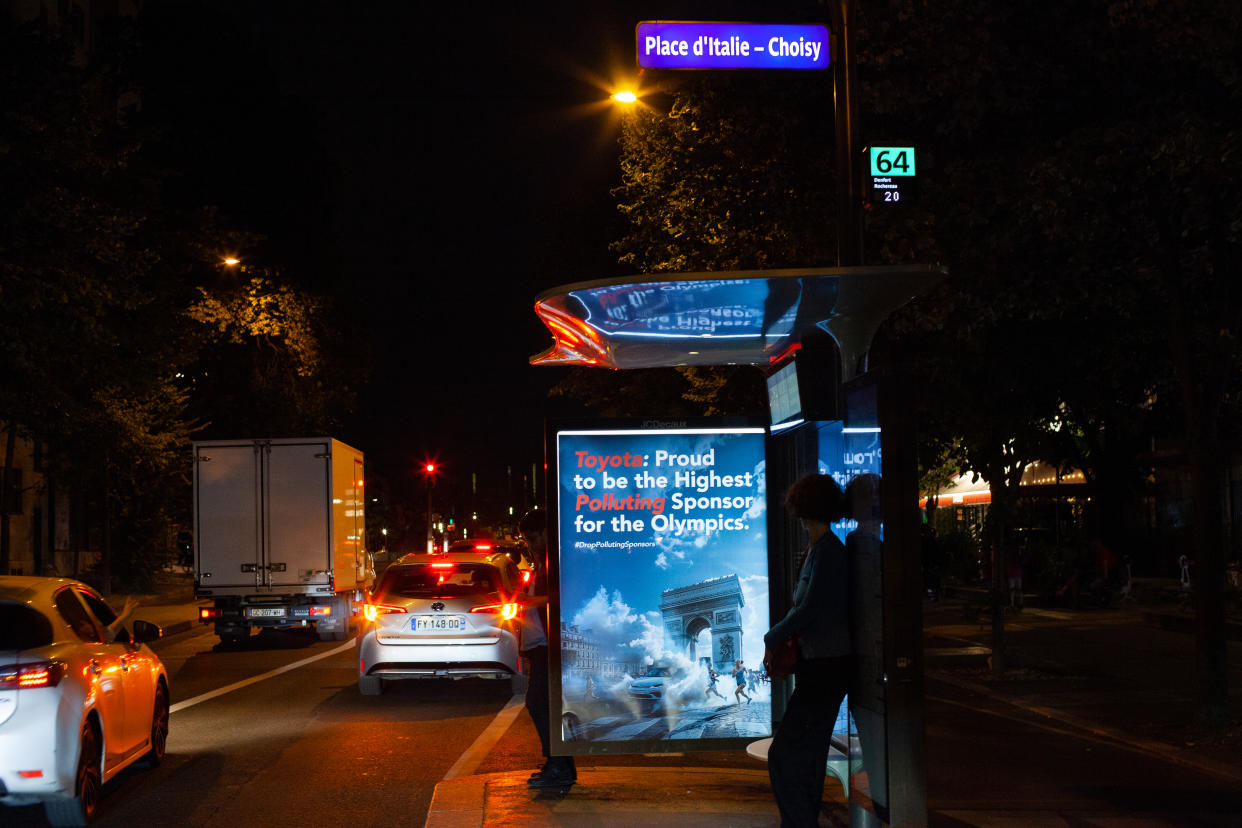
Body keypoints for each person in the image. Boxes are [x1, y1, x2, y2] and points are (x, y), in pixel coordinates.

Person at [764, 473, 851, 828]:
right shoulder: (820, 549)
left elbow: (809, 607)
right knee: (807, 754)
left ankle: (797, 823)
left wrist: (772, 636)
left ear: (805, 509)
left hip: (826, 667)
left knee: (783, 755)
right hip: (822, 665)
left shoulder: (828, 551)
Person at [517, 509, 576, 789]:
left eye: (531, 538)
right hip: (538, 645)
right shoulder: (540, 562)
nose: (528, 544)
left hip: (547, 646)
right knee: (545, 705)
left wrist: (532, 602)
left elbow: (563, 595)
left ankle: (557, 764)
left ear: (545, 533)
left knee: (539, 704)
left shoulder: (555, 562)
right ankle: (561, 764)